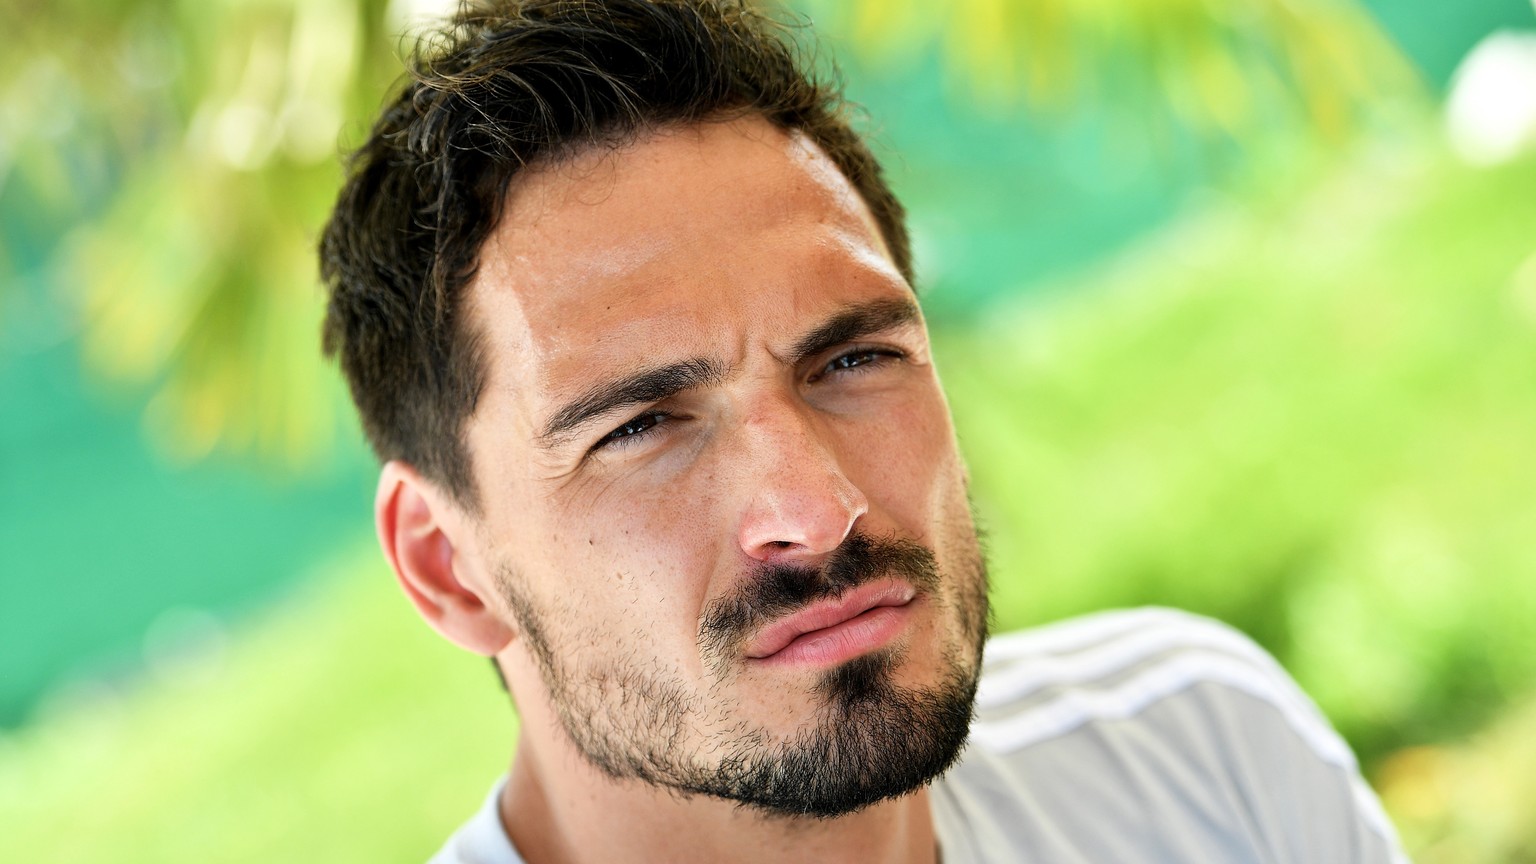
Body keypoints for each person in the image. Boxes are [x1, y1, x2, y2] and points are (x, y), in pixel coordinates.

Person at [318, 1, 1407, 861]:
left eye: (853, 360)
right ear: (449, 566)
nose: (815, 507)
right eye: (645, 424)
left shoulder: (1198, 761)